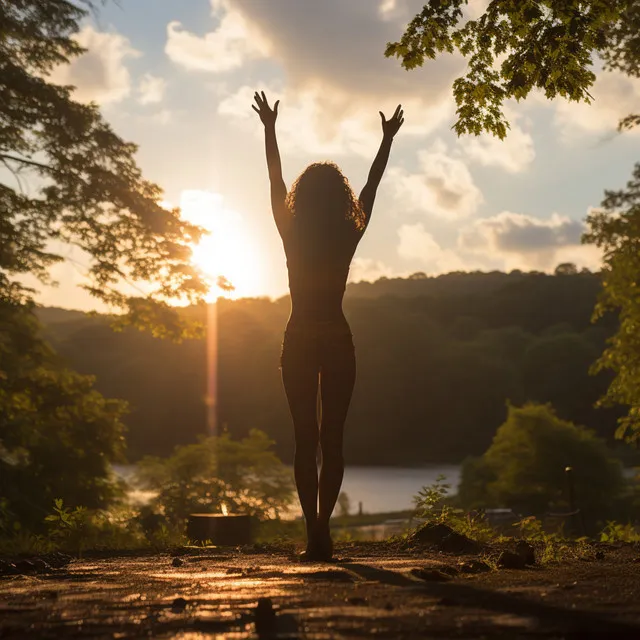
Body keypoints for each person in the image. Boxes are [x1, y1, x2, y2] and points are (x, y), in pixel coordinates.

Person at [252, 91, 404, 560]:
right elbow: (372, 187)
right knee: (332, 437)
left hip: (298, 338)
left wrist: (270, 129)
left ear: (304, 197)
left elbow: (275, 178)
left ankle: (312, 534)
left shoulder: (290, 230)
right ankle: (322, 529)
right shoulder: (348, 230)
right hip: (338, 339)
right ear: (338, 196)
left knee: (305, 439)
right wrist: (386, 141)